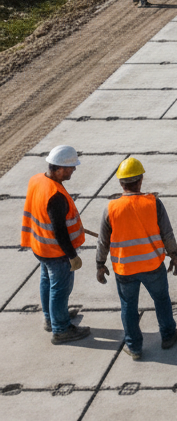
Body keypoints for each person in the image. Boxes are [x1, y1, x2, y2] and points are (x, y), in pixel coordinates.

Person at [96, 157, 177, 360]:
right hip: (152, 265)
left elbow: (102, 242)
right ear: (141, 180)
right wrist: (174, 256)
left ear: (120, 183)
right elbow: (167, 234)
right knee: (161, 300)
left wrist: (100, 265)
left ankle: (134, 348)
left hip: (125, 270)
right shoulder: (153, 203)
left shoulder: (111, 208)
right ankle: (168, 336)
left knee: (128, 307)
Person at [21, 145, 91, 343]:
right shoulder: (56, 196)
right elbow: (60, 232)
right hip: (56, 252)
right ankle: (61, 329)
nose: (73, 170)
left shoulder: (37, 180)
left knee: (47, 282)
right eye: (71, 167)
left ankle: (51, 319)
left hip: (40, 246)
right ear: (59, 168)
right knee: (60, 289)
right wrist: (72, 256)